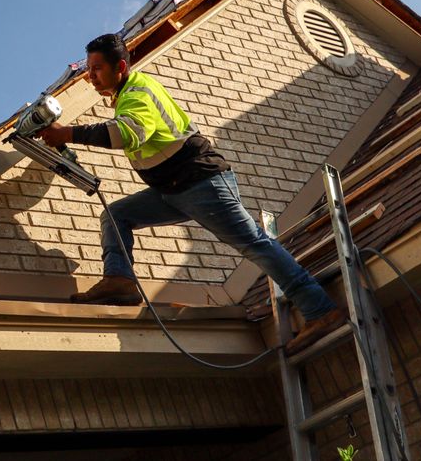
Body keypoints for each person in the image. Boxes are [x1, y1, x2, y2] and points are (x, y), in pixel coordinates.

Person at [39, 33, 345, 355]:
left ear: (121, 68)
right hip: (173, 190)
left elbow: (126, 133)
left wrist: (67, 133)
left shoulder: (137, 93)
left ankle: (320, 310)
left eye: (97, 68)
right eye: (89, 69)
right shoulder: (128, 94)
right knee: (116, 216)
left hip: (201, 184)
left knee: (255, 244)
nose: (90, 76)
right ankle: (120, 282)